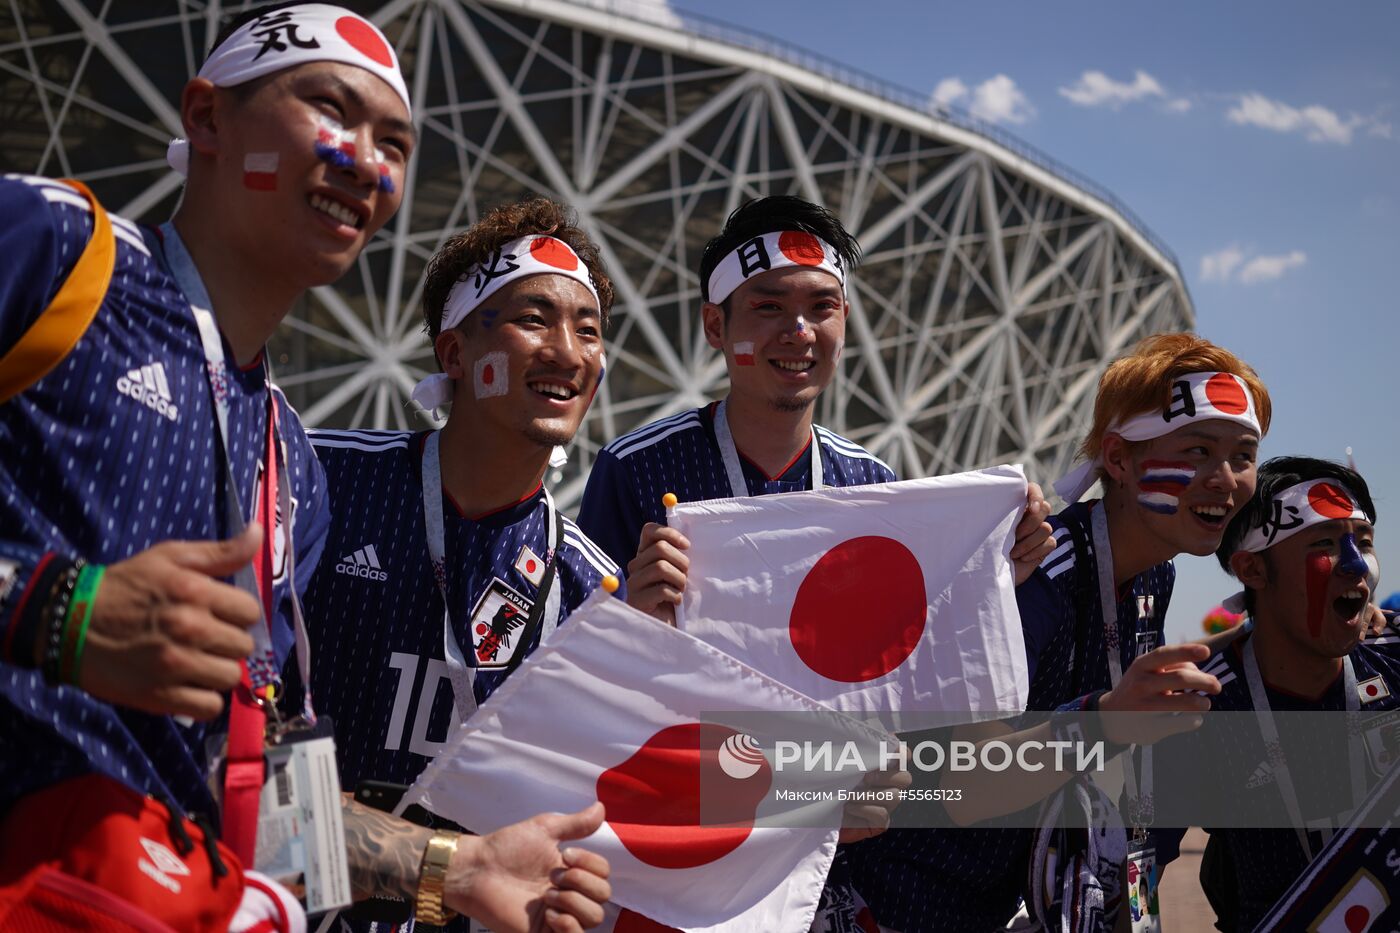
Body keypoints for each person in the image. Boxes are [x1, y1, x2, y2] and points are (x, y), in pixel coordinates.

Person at [0, 6, 607, 931]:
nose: (367, 161)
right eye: (330, 107)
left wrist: (459, 867)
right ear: (205, 118)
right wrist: (55, 610)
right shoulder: (52, 253)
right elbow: (67, 618)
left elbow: (269, 798)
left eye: (396, 143)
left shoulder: (291, 463)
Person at [577, 194, 1052, 931]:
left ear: (845, 321)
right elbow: (587, 697)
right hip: (687, 869)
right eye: (767, 306)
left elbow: (906, 686)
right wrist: (628, 619)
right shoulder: (636, 471)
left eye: (820, 307)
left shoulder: (873, 487)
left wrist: (993, 572)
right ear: (715, 325)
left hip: (838, 882)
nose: (798, 331)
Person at [847, 333, 1271, 932]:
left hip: (988, 907)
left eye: (1243, 455)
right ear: (1119, 460)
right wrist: (1103, 724)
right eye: (1198, 451)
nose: (1225, 479)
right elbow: (967, 784)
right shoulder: (1035, 573)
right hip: (897, 904)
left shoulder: (1154, 577)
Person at [299, 196, 621, 804]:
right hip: (281, 884)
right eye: (534, 319)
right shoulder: (320, 475)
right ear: (455, 354)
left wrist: (835, 793)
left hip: (458, 895)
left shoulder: (591, 589)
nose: (569, 352)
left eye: (588, 330)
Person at [1152, 457, 1398, 932]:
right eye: (1325, 544)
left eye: (1363, 544)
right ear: (1253, 570)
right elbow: (1134, 875)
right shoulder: (1200, 707)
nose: (1355, 566)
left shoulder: (1393, 661)